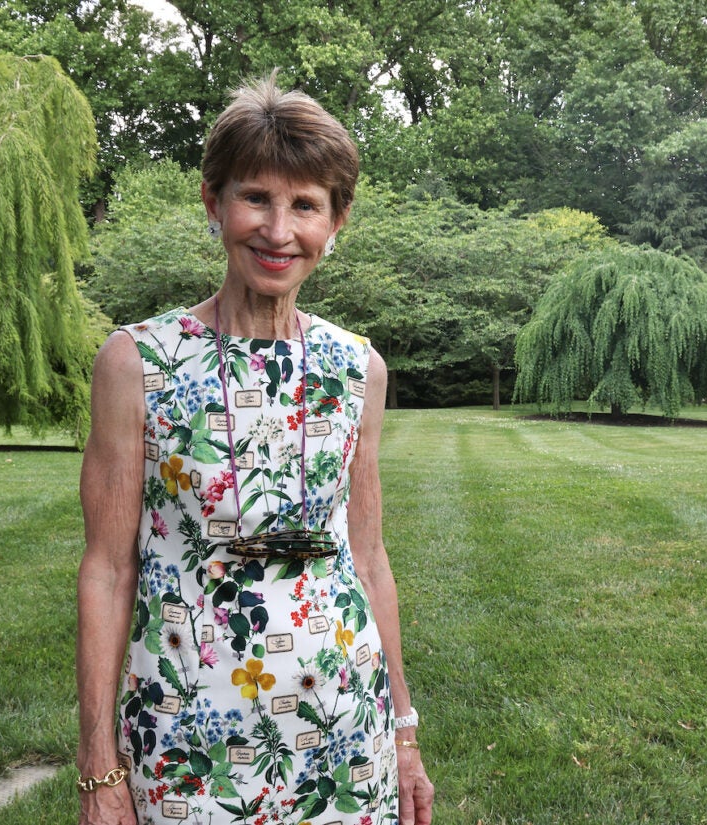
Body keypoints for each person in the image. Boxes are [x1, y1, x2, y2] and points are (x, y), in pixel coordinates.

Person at [76, 75, 434, 825]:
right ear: (213, 202)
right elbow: (109, 568)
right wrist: (99, 764)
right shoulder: (138, 362)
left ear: (336, 222)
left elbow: (366, 556)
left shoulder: (357, 369)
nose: (278, 230)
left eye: (305, 205)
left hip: (343, 730)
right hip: (187, 735)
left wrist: (403, 734)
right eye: (256, 198)